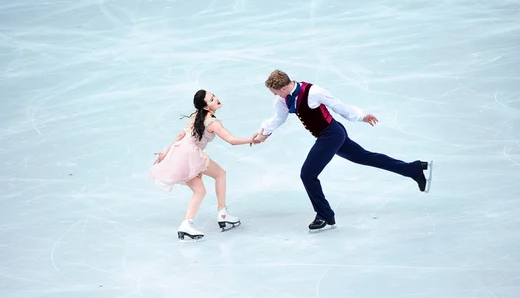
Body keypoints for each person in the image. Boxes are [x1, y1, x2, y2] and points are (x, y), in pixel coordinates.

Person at [252, 70, 432, 230]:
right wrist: (264, 133)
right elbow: (278, 118)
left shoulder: (314, 92)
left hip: (331, 135)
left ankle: (324, 215)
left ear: (283, 88)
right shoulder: (283, 99)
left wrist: (361, 116)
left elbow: (338, 106)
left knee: (307, 174)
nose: (273, 94)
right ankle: (414, 169)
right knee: (367, 157)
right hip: (329, 135)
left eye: (274, 91)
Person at [149, 89, 256, 240]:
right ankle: (222, 213)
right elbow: (231, 140)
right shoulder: (212, 122)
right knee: (220, 174)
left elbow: (181, 135)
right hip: (191, 156)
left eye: (214, 96)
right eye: (212, 99)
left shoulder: (195, 115)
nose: (216, 99)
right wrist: (252, 140)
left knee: (200, 191)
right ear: (206, 107)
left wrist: (166, 154)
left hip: (179, 154)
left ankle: (187, 224)